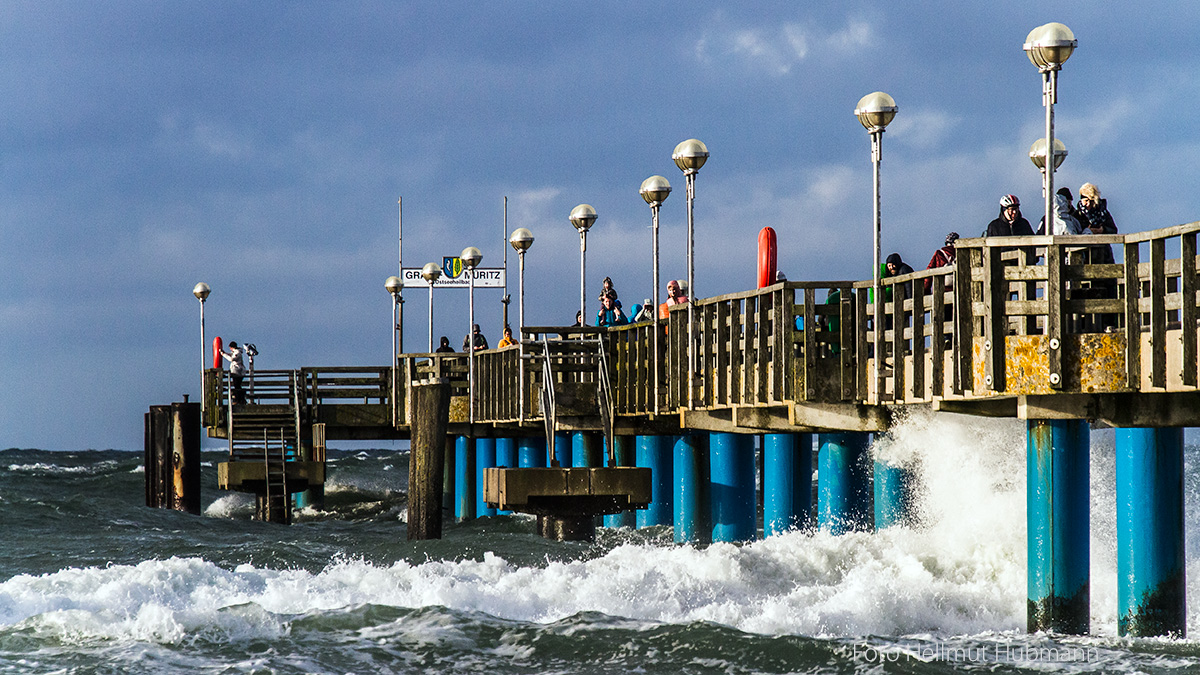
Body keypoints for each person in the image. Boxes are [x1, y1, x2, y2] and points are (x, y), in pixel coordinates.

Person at [221, 341, 247, 405]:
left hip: (238, 372)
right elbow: (230, 354)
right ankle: (240, 399)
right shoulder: (236, 352)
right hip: (237, 371)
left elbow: (231, 359)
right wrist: (224, 353)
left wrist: (223, 355)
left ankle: (240, 399)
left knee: (237, 386)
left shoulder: (237, 353)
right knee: (237, 386)